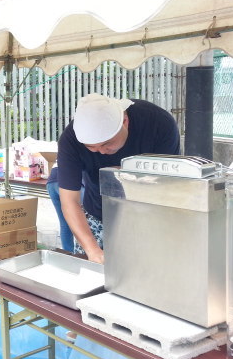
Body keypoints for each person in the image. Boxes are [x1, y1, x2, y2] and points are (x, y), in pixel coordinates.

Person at [57, 93, 180, 264]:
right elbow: (69, 201)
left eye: (107, 143)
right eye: (91, 147)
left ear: (124, 121)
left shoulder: (158, 123)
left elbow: (167, 183)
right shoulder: (70, 140)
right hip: (99, 214)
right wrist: (93, 251)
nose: (100, 151)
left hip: (150, 213)